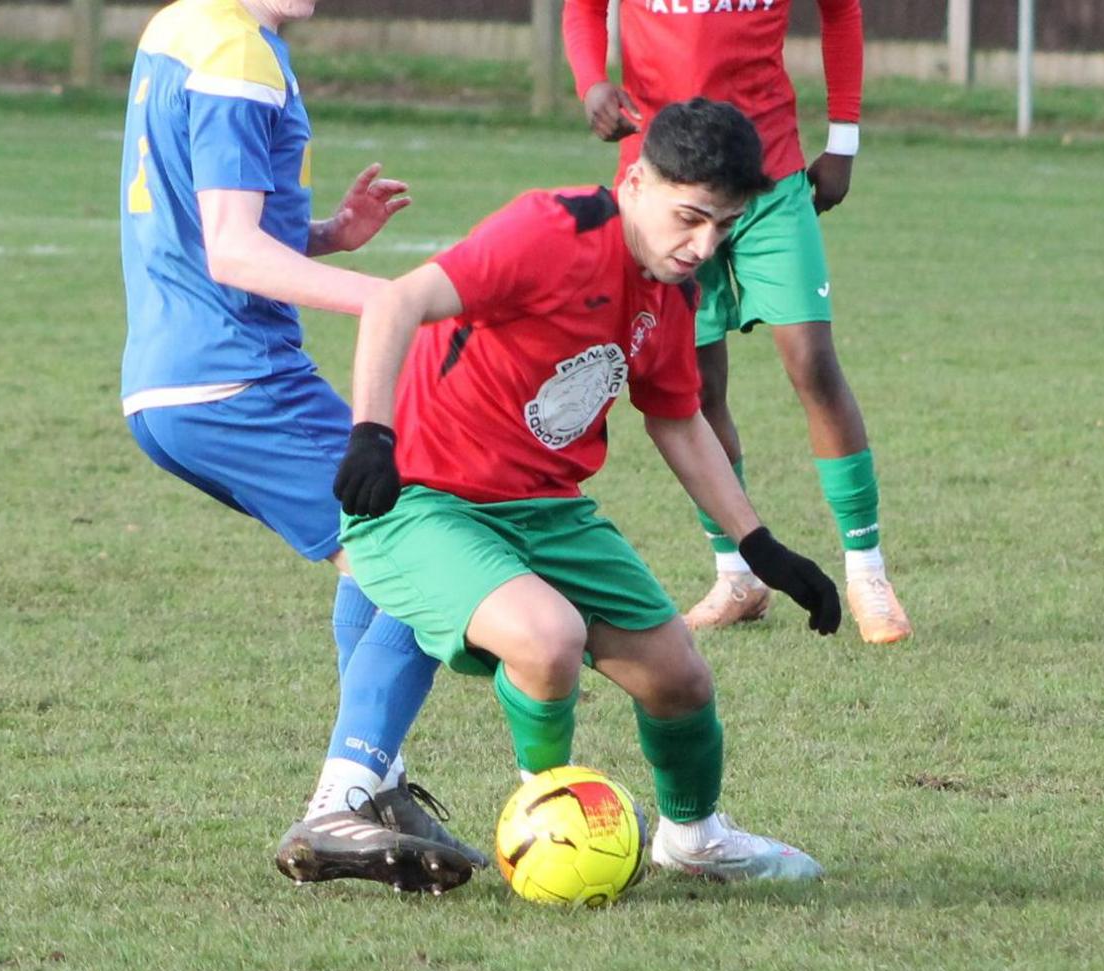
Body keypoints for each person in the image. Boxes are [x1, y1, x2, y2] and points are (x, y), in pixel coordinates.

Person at [332, 99, 837, 885]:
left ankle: (694, 837)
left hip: (546, 509)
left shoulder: (674, 288)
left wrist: (757, 542)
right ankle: (547, 819)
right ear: (635, 181)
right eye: (691, 216)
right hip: (423, 500)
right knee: (548, 639)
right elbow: (396, 300)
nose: (703, 244)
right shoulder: (550, 230)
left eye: (724, 226)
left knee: (680, 678)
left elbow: (677, 419)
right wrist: (372, 433)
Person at [118, 0, 485, 894]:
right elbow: (234, 254)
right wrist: (388, 298)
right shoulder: (236, 54)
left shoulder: (189, 28)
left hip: (179, 381)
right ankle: (343, 797)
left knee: (374, 551)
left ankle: (376, 786)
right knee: (429, 544)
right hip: (232, 381)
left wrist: (327, 238)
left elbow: (201, 217)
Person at [563, 0, 912, 645]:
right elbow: (583, 9)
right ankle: (737, 576)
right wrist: (591, 82)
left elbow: (841, 12)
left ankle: (867, 571)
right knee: (690, 388)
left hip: (768, 179)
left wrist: (844, 140)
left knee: (811, 362)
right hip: (666, 187)